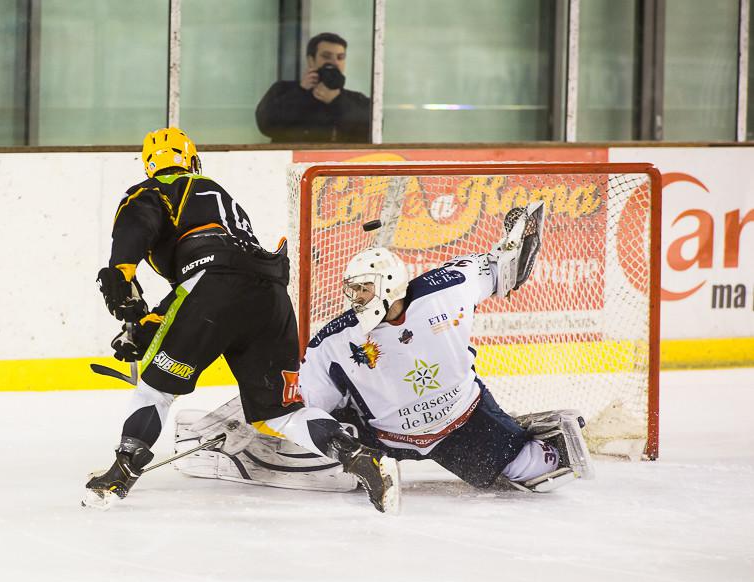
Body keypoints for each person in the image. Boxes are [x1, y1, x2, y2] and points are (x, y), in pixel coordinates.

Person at [173, 202, 595, 513]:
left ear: (389, 283)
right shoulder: (334, 340)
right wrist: (259, 417)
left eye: (363, 288)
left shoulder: (446, 289)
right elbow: (298, 404)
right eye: (351, 290)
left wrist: (516, 239)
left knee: (540, 473)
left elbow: (505, 267)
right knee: (324, 455)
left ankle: (528, 433)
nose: (355, 298)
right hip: (384, 440)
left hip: (463, 425)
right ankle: (236, 444)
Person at [84, 127, 305, 508]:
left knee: (154, 391)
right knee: (279, 411)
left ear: (150, 166)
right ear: (191, 158)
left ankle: (121, 471)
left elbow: (147, 232)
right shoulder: (218, 194)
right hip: (270, 291)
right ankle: (352, 452)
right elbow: (212, 276)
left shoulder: (154, 190)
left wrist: (122, 271)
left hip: (213, 287)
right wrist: (149, 322)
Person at [256, 32, 370, 143]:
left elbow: (370, 131)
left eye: (340, 57)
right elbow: (266, 125)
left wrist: (337, 101)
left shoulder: (357, 100)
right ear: (311, 60)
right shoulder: (282, 90)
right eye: (326, 56)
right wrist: (300, 92)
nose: (334, 63)